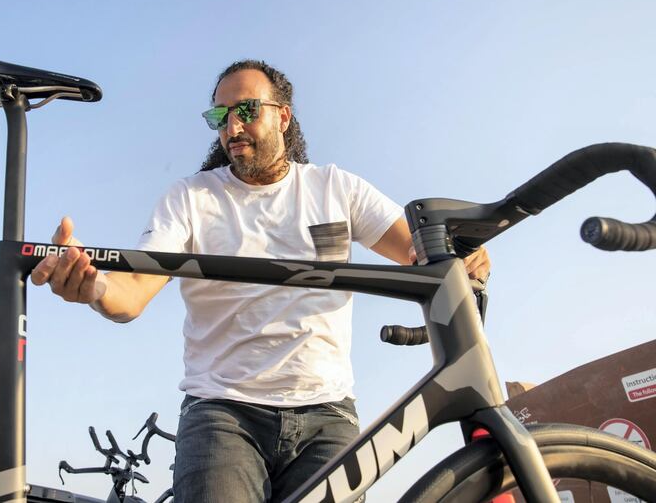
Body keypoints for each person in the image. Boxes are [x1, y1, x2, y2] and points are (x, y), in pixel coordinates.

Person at [32, 61, 490, 502]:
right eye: (220, 116)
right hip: (222, 413)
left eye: (247, 111)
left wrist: (461, 257)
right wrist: (92, 286)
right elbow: (131, 292)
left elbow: (417, 250)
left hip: (328, 416)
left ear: (284, 116)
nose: (232, 128)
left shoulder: (335, 188)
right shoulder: (191, 197)